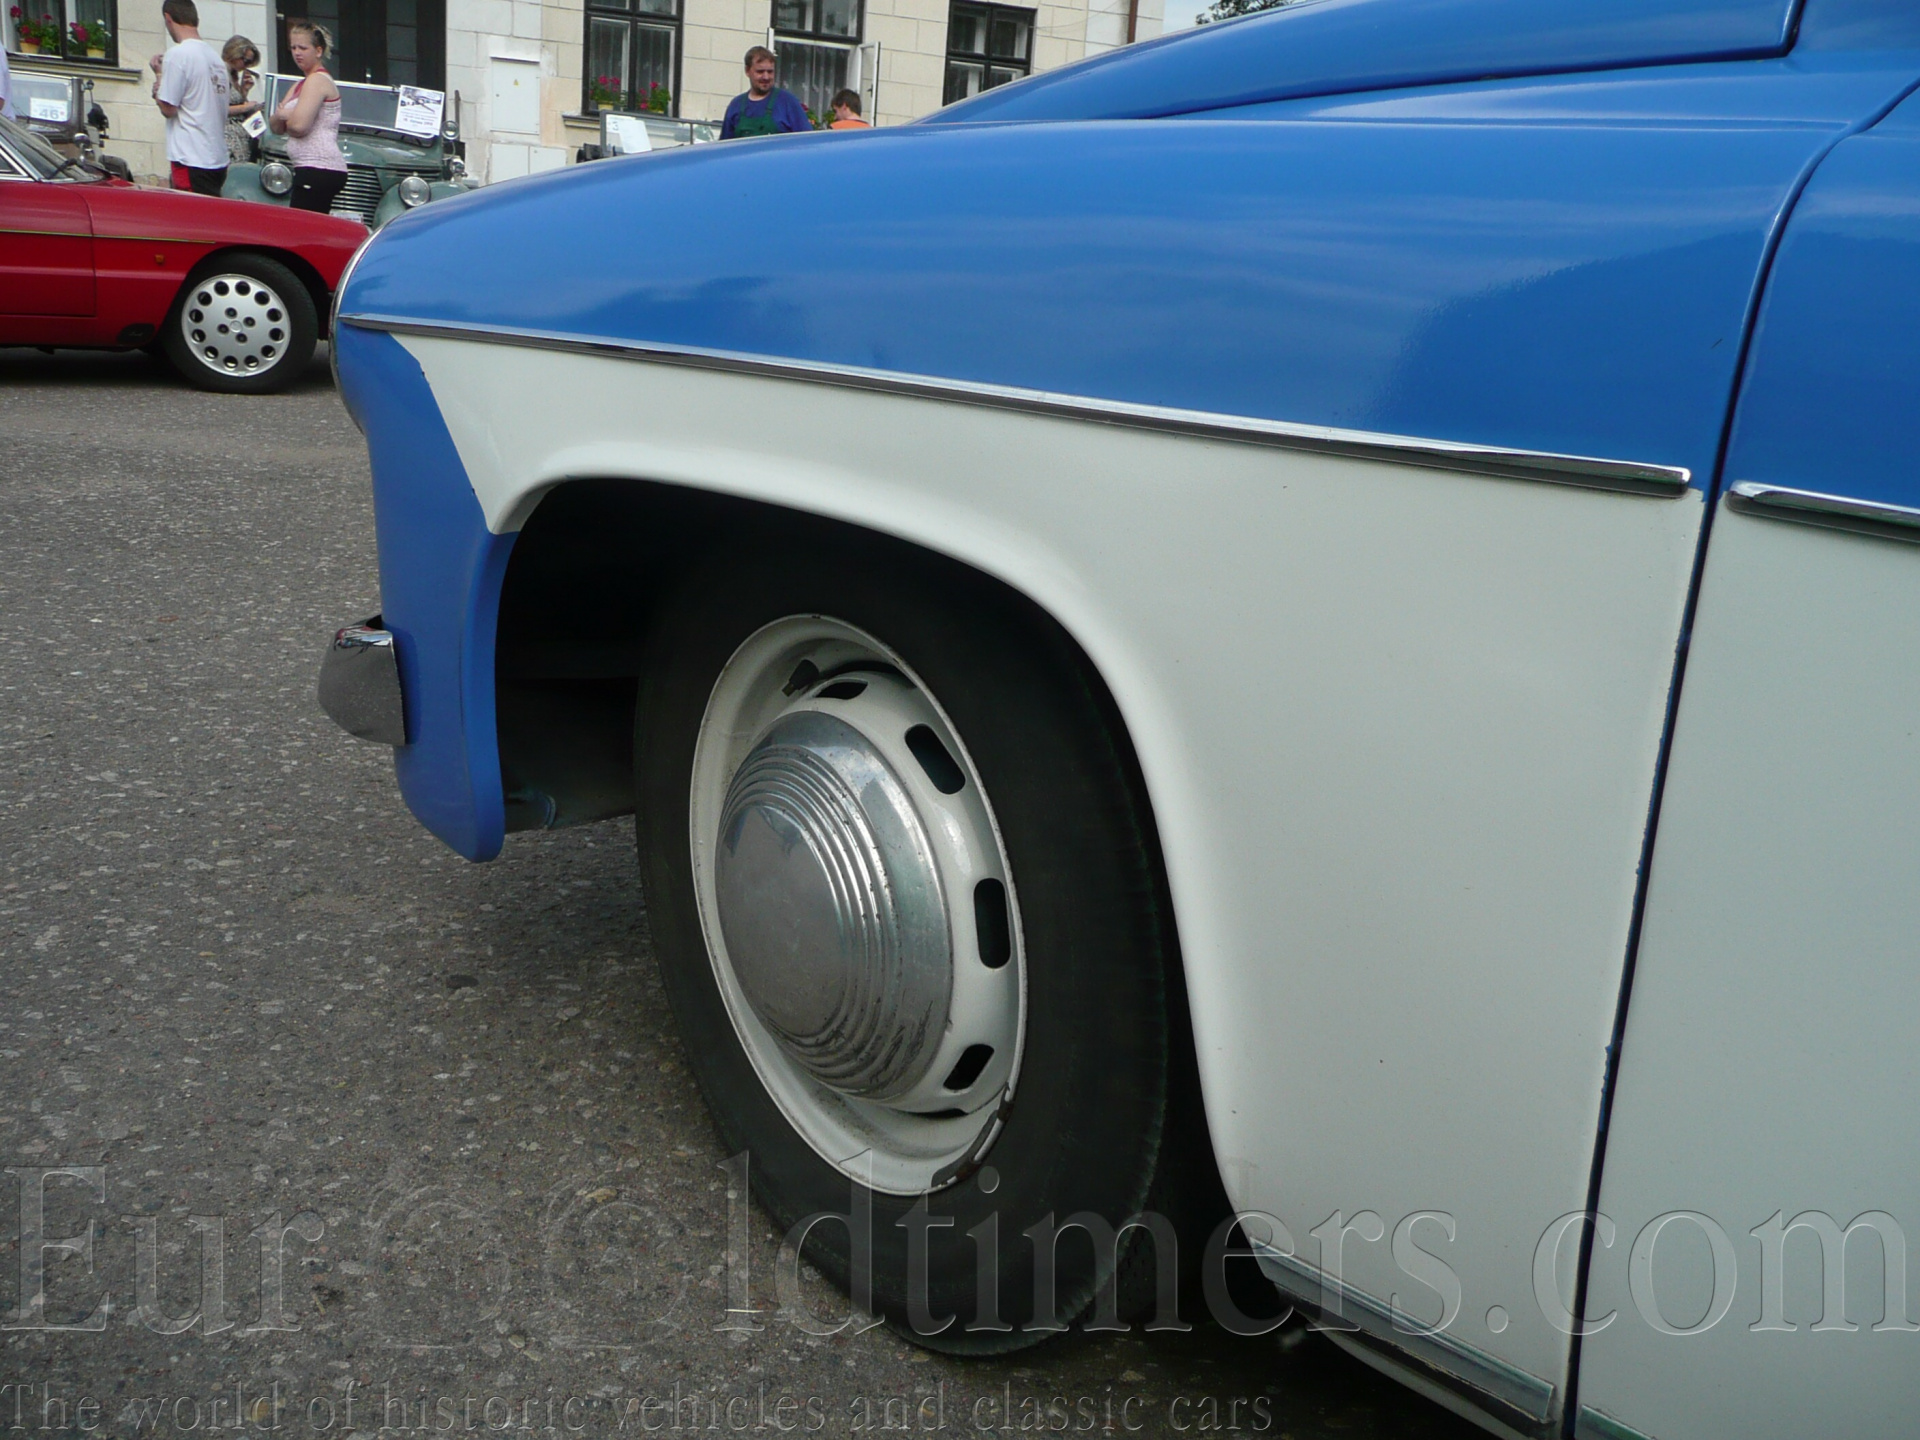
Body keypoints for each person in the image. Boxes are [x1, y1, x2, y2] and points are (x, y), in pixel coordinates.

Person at [150, 0, 232, 196]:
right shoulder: (215, 58)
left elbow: (168, 108)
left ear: (168, 18)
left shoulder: (178, 54)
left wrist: (159, 75)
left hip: (191, 156)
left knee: (191, 212)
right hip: (216, 156)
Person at [269, 19, 348, 214]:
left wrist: (286, 114)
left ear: (318, 51)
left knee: (302, 224)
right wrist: (286, 115)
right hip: (308, 167)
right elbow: (275, 126)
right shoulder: (300, 84)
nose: (297, 53)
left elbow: (298, 126)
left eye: (303, 48)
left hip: (319, 167)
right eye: (293, 47)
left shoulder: (317, 80)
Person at [719, 47, 809, 139]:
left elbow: (807, 141)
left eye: (770, 72)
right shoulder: (735, 105)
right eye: (760, 72)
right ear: (747, 71)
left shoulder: (788, 102)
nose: (766, 77)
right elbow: (725, 145)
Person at [222, 35, 263, 164]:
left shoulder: (233, 75)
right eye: (246, 61)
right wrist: (245, 107)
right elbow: (218, 107)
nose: (247, 66)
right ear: (235, 54)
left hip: (240, 136)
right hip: (228, 137)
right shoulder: (222, 73)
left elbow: (234, 101)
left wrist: (244, 91)